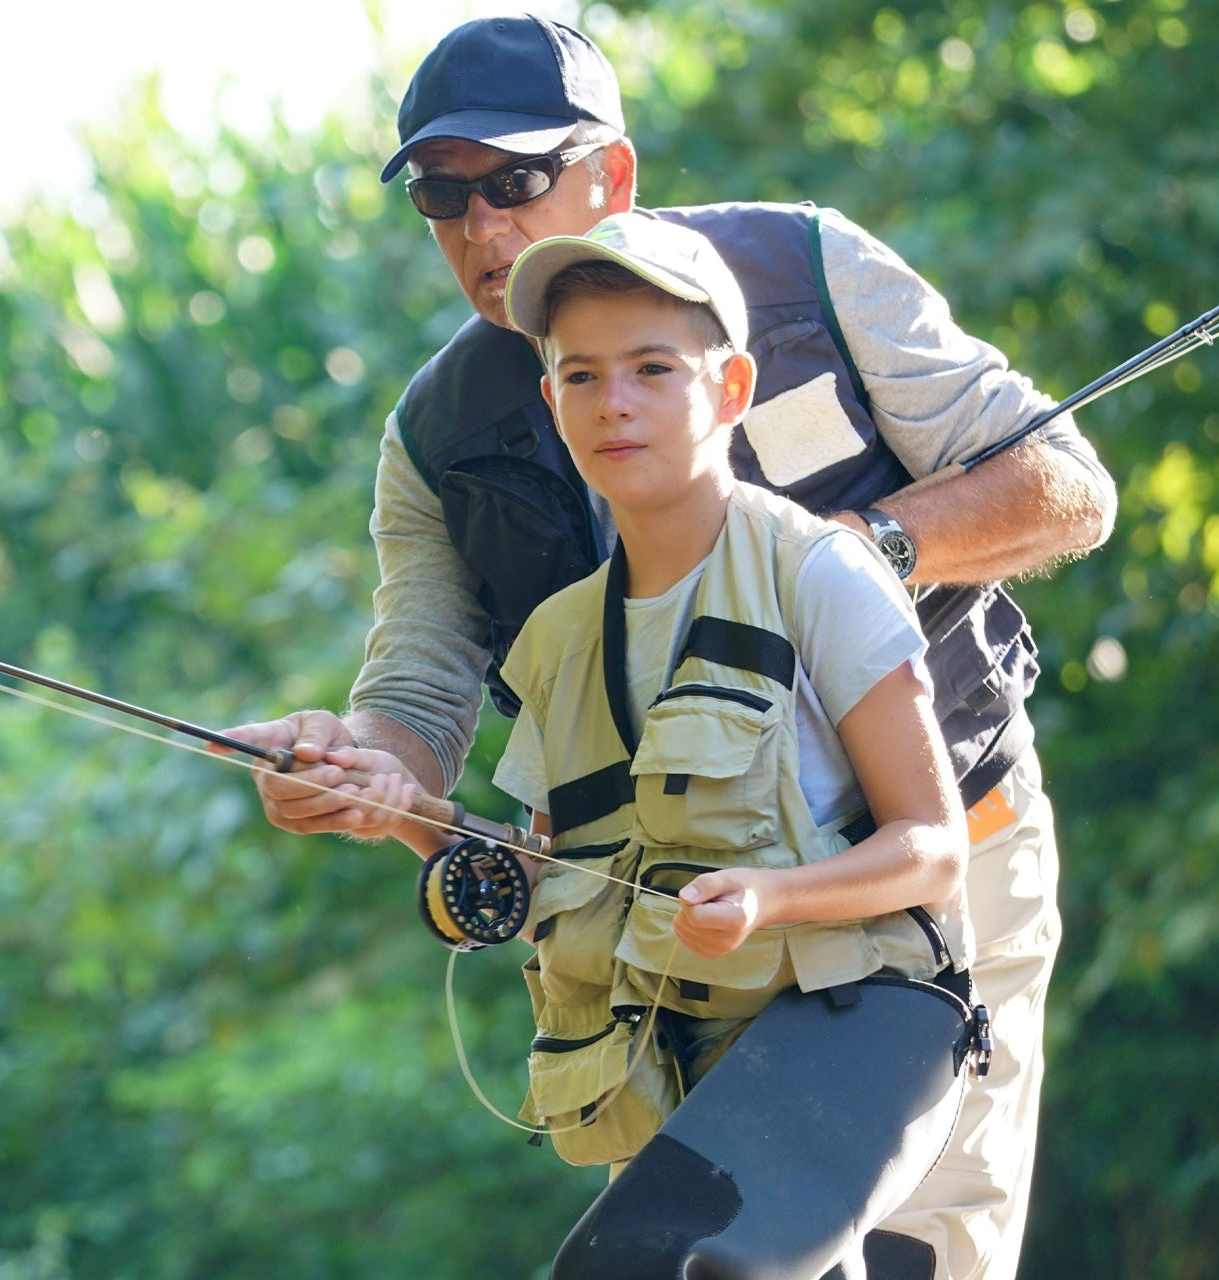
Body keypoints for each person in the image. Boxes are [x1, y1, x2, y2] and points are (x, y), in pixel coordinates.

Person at [224, 14, 1117, 1280]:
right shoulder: (437, 437)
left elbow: (1067, 487)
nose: (482, 226)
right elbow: (415, 694)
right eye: (443, 193)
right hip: (685, 940)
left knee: (924, 1262)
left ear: (617, 175)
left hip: (944, 861)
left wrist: (855, 556)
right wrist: (352, 762)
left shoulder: (808, 271)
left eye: (518, 181)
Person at [405, 207, 980, 1280]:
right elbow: (540, 877)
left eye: (652, 368)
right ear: (551, 402)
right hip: (676, 1078)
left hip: (846, 1030)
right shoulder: (556, 639)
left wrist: (771, 899)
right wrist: (390, 809)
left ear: (731, 389)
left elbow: (934, 847)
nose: (614, 403)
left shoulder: (822, 573)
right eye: (581, 376)